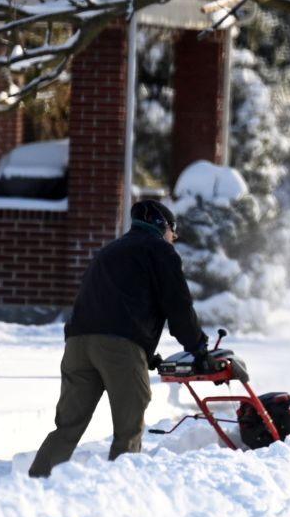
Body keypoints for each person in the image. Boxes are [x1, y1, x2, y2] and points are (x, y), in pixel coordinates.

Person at [28, 199, 207, 477]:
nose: (174, 239)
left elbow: (111, 303)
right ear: (163, 226)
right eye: (174, 233)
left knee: (68, 426)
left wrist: (145, 353)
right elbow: (178, 305)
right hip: (119, 346)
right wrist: (197, 346)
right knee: (128, 428)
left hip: (77, 344)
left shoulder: (108, 251)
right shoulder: (159, 250)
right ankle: (118, 490)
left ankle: (34, 484)